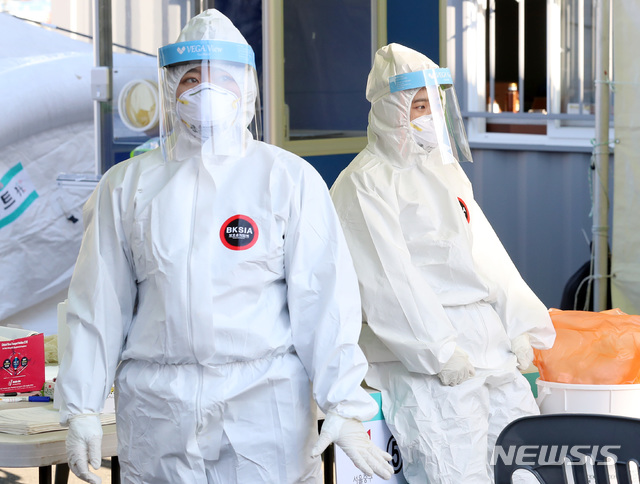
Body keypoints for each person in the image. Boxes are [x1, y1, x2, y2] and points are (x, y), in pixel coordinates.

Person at [56, 10, 393, 484]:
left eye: (221, 78)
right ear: (171, 88)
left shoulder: (287, 179)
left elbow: (324, 300)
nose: (205, 91)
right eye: (191, 77)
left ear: (247, 89)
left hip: (263, 413)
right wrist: (82, 405)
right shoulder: (127, 186)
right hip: (159, 415)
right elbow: (98, 305)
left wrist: (344, 404)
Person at [329, 43, 556, 483]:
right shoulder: (364, 183)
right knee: (457, 473)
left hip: (486, 343)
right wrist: (438, 350)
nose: (431, 113)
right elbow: (387, 281)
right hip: (423, 362)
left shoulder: (446, 172)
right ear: (390, 109)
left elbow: (486, 255)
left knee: (527, 467)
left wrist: (518, 323)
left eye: (435, 102)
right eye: (418, 104)